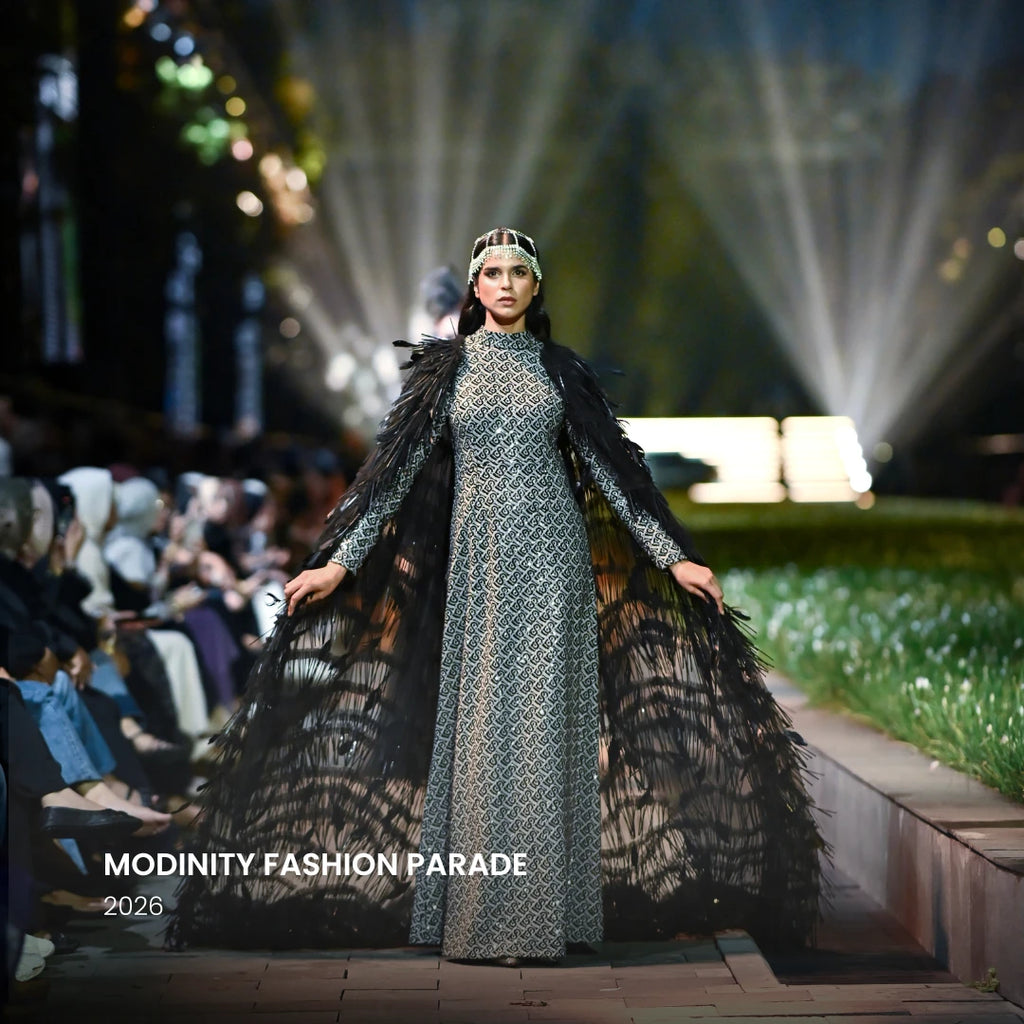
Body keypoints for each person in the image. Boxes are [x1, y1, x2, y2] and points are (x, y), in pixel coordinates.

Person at [171, 228, 823, 962]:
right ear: (475, 287)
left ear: (536, 285)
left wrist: (675, 559)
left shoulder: (559, 371)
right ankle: (480, 915)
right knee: (483, 738)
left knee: (544, 736)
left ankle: (543, 918)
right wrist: (338, 566)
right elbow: (391, 478)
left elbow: (613, 474)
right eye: (492, 272)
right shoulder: (444, 372)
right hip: (477, 576)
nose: (506, 284)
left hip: (553, 570)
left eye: (519, 272)